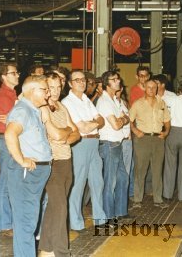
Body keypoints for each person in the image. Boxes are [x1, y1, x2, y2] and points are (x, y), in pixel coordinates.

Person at [5, 75, 53, 256]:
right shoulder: (23, 110)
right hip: (27, 173)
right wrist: (21, 160)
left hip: (36, 173)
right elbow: (10, 134)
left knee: (30, 221)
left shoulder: (32, 110)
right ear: (32, 91)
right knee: (26, 222)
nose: (48, 94)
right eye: (45, 89)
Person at [38, 72, 80, 256]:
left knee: (54, 207)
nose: (55, 92)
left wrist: (66, 135)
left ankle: (46, 249)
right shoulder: (42, 108)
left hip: (66, 160)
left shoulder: (61, 106)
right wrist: (66, 132)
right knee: (61, 207)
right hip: (52, 162)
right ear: (44, 88)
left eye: (57, 87)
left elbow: (77, 132)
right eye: (51, 88)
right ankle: (62, 252)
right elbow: (55, 135)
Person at [62, 70, 106, 230]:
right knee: (78, 184)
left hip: (94, 144)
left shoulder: (86, 99)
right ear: (70, 84)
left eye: (83, 80)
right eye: (77, 80)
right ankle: (76, 222)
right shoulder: (67, 102)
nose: (81, 82)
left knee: (98, 182)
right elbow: (83, 127)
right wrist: (93, 123)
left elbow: (101, 121)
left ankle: (100, 219)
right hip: (80, 144)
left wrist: (92, 123)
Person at [129, 80, 171, 208]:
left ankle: (158, 200)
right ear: (145, 89)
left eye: (154, 87)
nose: (151, 90)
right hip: (143, 140)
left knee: (157, 170)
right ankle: (137, 200)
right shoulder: (137, 104)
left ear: (157, 88)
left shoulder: (162, 103)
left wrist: (166, 132)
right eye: (149, 87)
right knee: (140, 170)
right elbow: (129, 121)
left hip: (158, 139)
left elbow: (167, 120)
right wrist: (136, 131)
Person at [96, 71, 130, 223]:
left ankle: (120, 211)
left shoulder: (115, 101)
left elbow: (125, 118)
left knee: (123, 178)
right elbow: (116, 125)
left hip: (117, 144)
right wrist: (123, 119)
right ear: (106, 83)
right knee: (110, 182)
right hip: (109, 145)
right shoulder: (104, 101)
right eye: (114, 79)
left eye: (118, 78)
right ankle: (108, 215)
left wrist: (122, 119)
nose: (118, 81)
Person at [0, 63, 19, 236]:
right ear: (4, 76)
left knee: (12, 183)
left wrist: (13, 116)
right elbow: (9, 123)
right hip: (6, 141)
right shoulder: (2, 96)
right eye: (13, 73)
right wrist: (14, 117)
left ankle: (10, 220)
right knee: (6, 183)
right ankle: (4, 223)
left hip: (13, 140)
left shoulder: (13, 94)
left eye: (17, 72)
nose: (17, 75)